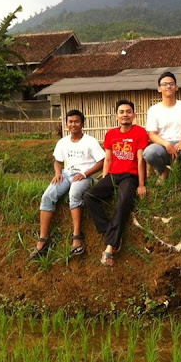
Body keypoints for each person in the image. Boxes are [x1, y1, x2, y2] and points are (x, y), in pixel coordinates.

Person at [30, 109, 105, 258]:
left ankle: (76, 237)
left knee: (74, 193)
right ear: (66, 123)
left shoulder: (90, 141)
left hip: (84, 175)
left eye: (76, 121)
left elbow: (101, 161)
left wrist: (85, 174)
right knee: (47, 196)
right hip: (66, 174)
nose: (73, 124)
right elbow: (57, 161)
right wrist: (58, 173)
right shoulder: (63, 142)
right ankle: (43, 239)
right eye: (70, 122)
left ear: (82, 123)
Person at [84, 100, 149, 267]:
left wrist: (141, 184)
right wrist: (105, 178)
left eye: (128, 111)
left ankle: (111, 246)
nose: (125, 114)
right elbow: (108, 158)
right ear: (116, 116)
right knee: (89, 196)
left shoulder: (140, 132)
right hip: (113, 174)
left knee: (122, 203)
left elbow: (141, 159)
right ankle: (110, 232)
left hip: (130, 176)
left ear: (134, 115)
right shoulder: (111, 134)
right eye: (121, 112)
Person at [143, 72, 181, 182]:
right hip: (162, 146)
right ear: (159, 89)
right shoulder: (154, 110)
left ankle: (178, 173)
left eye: (171, 83)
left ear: (176, 87)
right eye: (165, 84)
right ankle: (163, 171)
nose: (168, 86)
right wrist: (166, 144)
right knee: (149, 153)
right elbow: (152, 134)